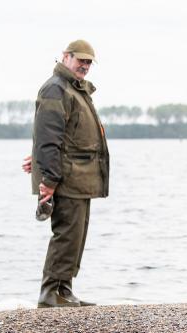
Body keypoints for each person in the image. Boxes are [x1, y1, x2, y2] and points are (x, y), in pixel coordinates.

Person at [23, 39, 110, 308]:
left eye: (88, 62)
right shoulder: (55, 89)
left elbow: (63, 134)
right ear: (65, 57)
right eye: (80, 59)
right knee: (66, 235)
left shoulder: (74, 89)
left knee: (76, 236)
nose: (84, 65)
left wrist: (39, 158)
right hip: (65, 177)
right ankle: (50, 294)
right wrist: (48, 180)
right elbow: (49, 137)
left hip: (80, 177)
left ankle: (64, 290)